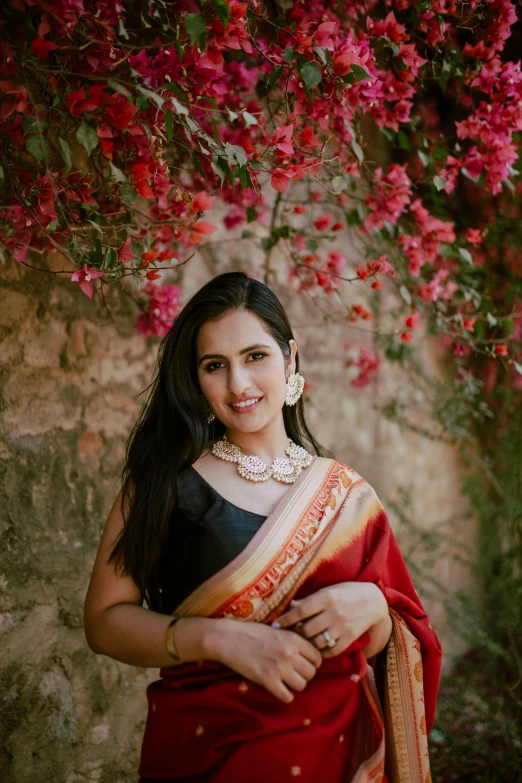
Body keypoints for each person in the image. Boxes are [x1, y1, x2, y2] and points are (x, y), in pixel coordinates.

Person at [84, 271, 442, 783]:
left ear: (289, 358)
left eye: (255, 356)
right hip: (207, 758)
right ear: (196, 379)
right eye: (215, 366)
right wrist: (215, 640)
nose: (239, 385)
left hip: (339, 762)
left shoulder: (348, 497)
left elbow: (400, 639)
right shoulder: (160, 491)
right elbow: (103, 623)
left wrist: (376, 612)